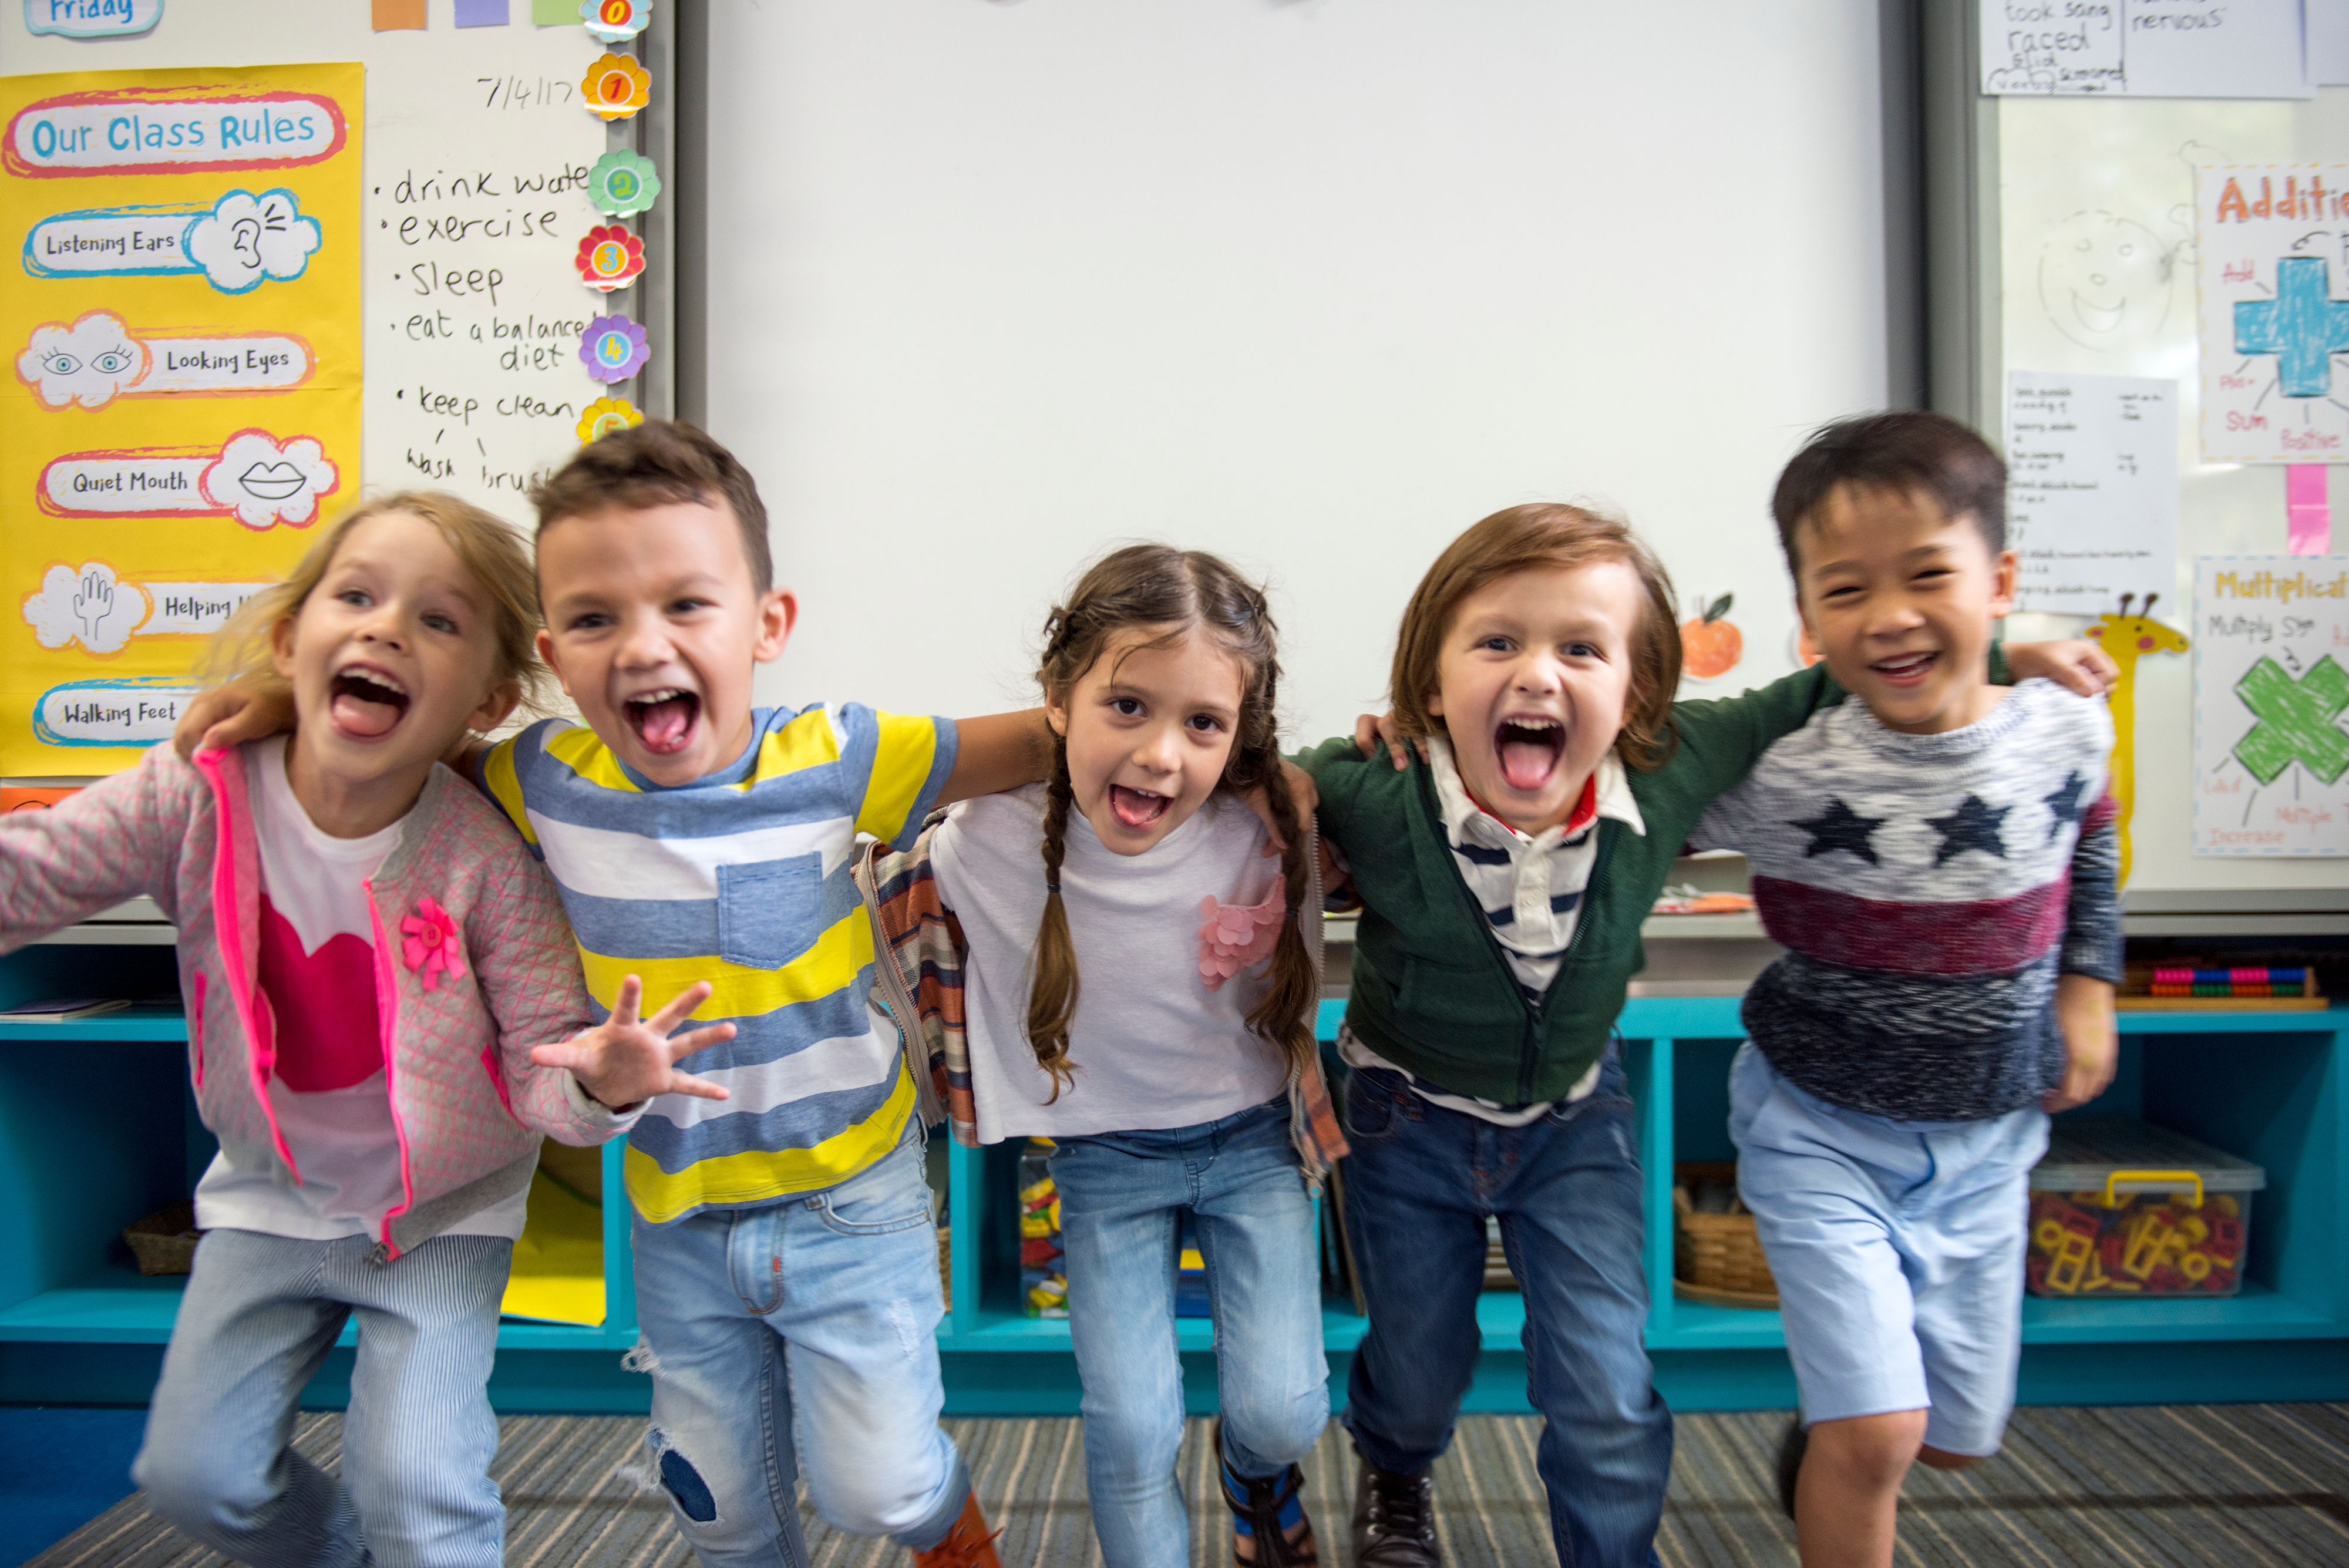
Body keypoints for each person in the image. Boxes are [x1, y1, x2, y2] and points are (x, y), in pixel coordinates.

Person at [174, 425, 1056, 1567]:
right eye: (595, 619)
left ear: (766, 625)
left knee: (878, 1489)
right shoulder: (536, 777)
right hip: (676, 1215)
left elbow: (1047, 742)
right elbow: (396, 723)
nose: (643, 647)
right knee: (720, 1508)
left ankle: (949, 1528)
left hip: (848, 1200)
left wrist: (1239, 756)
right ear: (551, 647)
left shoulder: (838, 753)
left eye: (687, 605)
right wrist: (277, 705)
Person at [1307, 502, 2112, 1568]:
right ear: (1429, 678)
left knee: (1603, 1385)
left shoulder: (1674, 759)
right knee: (1417, 1363)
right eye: (1496, 643)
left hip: (1574, 1122)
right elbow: (1250, 782)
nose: (1539, 676)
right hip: (1402, 1115)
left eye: (1582, 648)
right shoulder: (1376, 786)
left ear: (1640, 688)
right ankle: (1396, 1472)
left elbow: (1834, 679)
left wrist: (2007, 647)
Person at [4, 492, 723, 1568]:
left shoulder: (484, 861)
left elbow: (546, 1074)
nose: (387, 627)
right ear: (293, 640)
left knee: (421, 1494)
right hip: (267, 1202)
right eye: (357, 596)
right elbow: (37, 876)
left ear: (485, 699)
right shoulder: (195, 795)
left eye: (438, 620)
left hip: (442, 1214)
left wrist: (603, 1083)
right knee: (199, 1481)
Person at [1691, 412, 2119, 1568]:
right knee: (1881, 1433)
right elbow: (1636, 772)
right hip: (1817, 1132)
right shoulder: (1784, 771)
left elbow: (2087, 835)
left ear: (2000, 582)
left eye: (1928, 575)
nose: (1887, 616)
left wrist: (2088, 984)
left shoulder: (2067, 722)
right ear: (1806, 620)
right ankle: (1850, 1439)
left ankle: (1833, 1440)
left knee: (1952, 1439)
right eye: (1845, 590)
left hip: (1991, 1146)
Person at [863, 546, 1343, 1568]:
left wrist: (1279, 772)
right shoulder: (986, 833)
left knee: (1286, 1408)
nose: (1162, 753)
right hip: (1102, 1161)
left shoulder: (1270, 823)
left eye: (1203, 723)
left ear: (1241, 738)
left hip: (1254, 1143)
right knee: (1128, 1431)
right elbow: (846, 793)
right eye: (1126, 705)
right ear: (1057, 696)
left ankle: (1256, 1478)